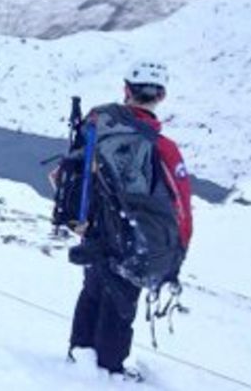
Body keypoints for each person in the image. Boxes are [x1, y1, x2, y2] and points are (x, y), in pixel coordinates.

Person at [66, 60, 192, 380]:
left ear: (126, 90)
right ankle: (109, 373)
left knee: (93, 291)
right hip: (134, 239)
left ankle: (78, 358)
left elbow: (66, 175)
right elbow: (181, 206)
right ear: (160, 96)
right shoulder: (164, 148)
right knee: (120, 305)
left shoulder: (97, 124)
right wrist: (176, 253)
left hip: (93, 231)